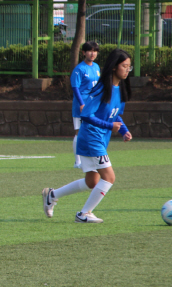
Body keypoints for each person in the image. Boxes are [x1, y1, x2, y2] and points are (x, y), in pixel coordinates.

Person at [42, 48, 132, 223]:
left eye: (130, 66)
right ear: (114, 67)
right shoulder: (101, 90)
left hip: (100, 139)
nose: (127, 70)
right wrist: (109, 126)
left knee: (92, 181)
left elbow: (115, 115)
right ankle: (84, 214)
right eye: (124, 66)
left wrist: (123, 130)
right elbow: (86, 115)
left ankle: (51, 195)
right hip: (91, 138)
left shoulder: (120, 91)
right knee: (109, 177)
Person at [70, 41, 100, 169]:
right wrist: (81, 104)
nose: (92, 53)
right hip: (81, 104)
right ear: (84, 52)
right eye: (90, 51)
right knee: (79, 132)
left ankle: (91, 158)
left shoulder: (96, 67)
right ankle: (78, 162)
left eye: (95, 51)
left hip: (93, 103)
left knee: (92, 130)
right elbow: (75, 87)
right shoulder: (79, 69)